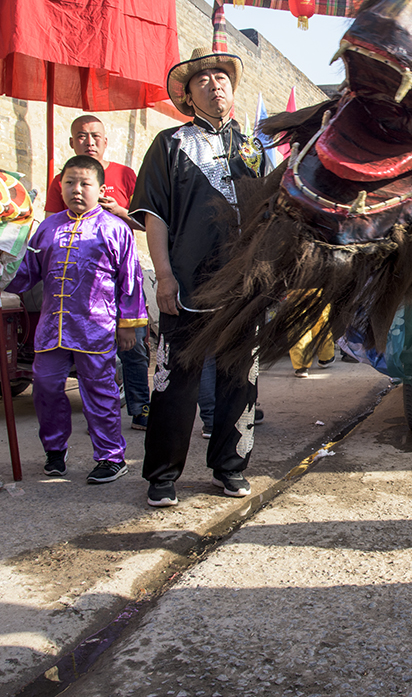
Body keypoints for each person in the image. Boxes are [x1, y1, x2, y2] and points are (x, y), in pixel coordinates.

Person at [129, 46, 262, 507]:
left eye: (222, 75)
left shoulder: (254, 148)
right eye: (203, 79)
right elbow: (155, 215)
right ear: (187, 95)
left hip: (244, 286)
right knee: (174, 381)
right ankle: (163, 475)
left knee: (240, 380)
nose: (215, 83)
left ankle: (229, 468)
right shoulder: (169, 144)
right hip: (187, 284)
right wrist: (164, 276)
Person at [6, 155, 146, 483]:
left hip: (96, 329)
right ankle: (55, 451)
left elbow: (131, 280)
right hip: (52, 329)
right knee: (45, 387)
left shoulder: (115, 229)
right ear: (61, 186)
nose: (77, 189)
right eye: (70, 182)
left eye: (85, 183)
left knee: (100, 394)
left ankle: (111, 457)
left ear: (100, 189)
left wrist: (129, 326)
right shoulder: (47, 228)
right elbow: (26, 273)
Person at [43, 116, 151, 431]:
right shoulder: (61, 180)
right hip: (81, 281)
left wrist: (120, 212)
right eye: (81, 136)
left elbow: (147, 223)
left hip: (122, 277)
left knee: (135, 346)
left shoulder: (125, 175)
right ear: (72, 143)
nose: (89, 141)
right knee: (91, 351)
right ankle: (100, 416)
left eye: (95, 136)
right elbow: (50, 227)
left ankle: (141, 407)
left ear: (105, 140)